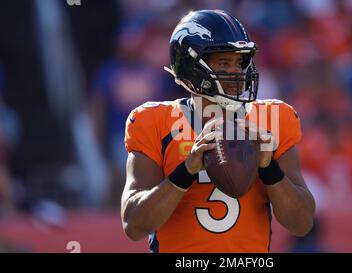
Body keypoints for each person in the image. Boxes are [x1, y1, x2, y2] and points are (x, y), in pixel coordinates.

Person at [120, 10, 316, 253]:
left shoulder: (273, 119)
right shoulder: (153, 121)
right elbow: (134, 225)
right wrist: (186, 171)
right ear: (192, 67)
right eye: (224, 62)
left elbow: (302, 223)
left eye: (240, 62)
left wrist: (269, 168)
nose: (236, 72)